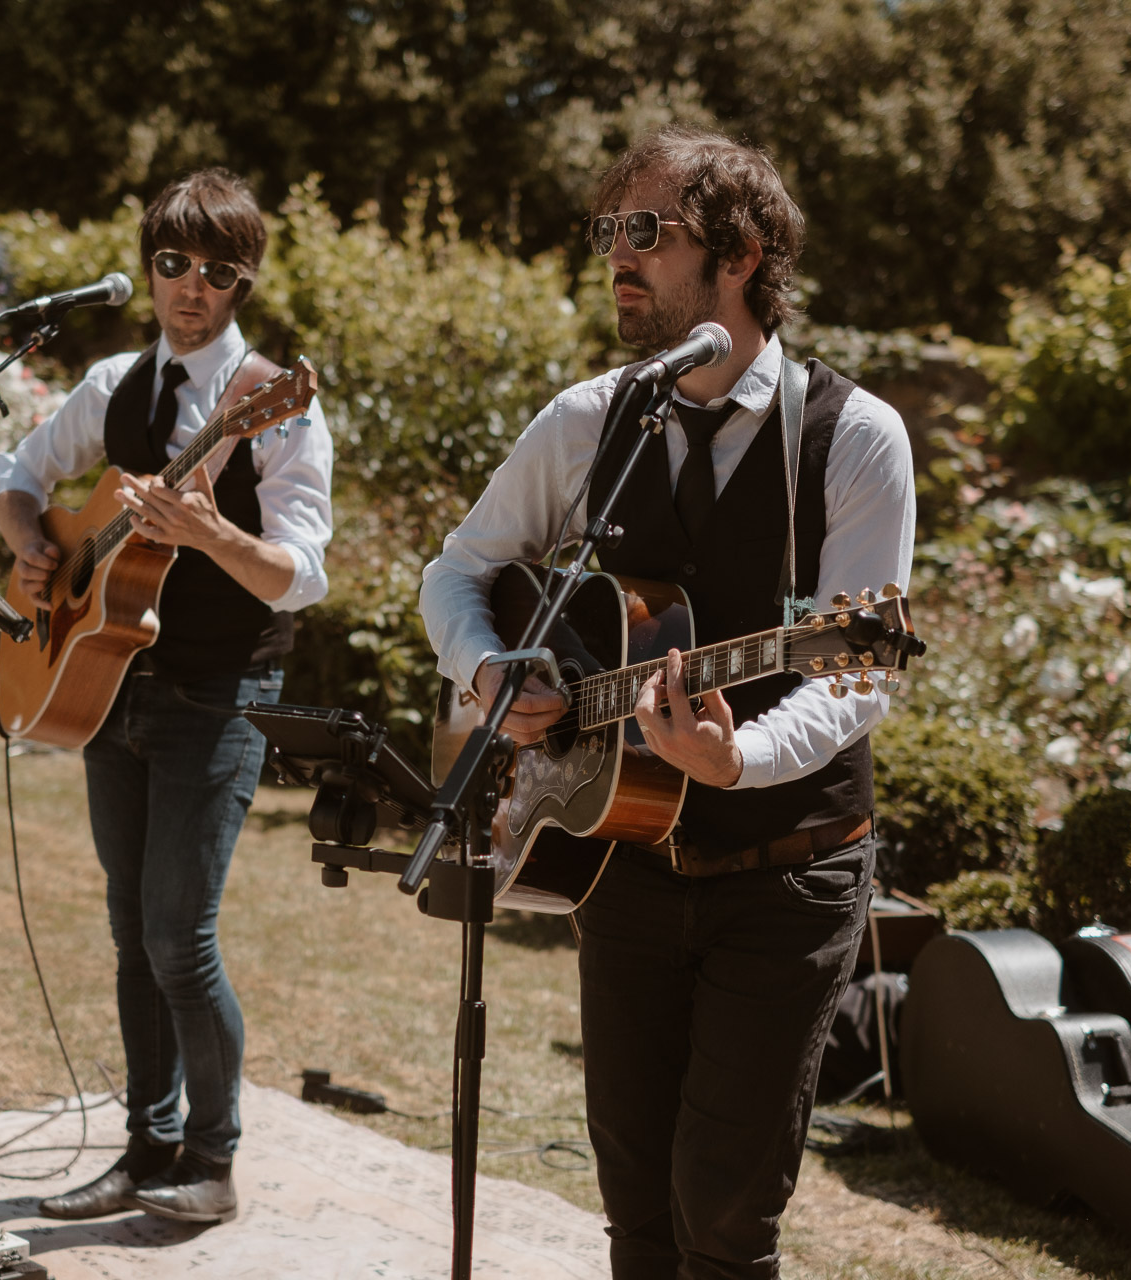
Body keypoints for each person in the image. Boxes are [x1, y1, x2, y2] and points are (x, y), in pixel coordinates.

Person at [417, 126, 915, 1279]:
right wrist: (491, 671)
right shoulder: (592, 417)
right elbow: (455, 569)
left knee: (723, 1214)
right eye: (608, 230)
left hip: (786, 874)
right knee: (634, 1201)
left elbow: (859, 666)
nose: (616, 256)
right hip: (622, 866)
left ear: (740, 252)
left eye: (647, 230)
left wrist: (732, 758)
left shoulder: (854, 436)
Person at [0, 168, 333, 1225]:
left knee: (179, 935)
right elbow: (15, 470)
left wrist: (208, 532)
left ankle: (212, 1162)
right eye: (174, 263)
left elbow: (303, 570)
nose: (191, 286)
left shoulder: (269, 401)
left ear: (242, 283)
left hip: (219, 693)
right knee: (132, 927)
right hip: (105, 684)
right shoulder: (113, 384)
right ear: (149, 268)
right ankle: (145, 1148)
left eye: (216, 271)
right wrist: (35, 549)